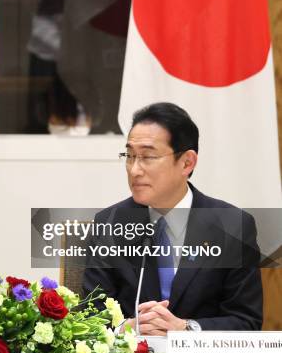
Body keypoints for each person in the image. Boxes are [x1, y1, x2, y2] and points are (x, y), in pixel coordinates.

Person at [83, 102, 262, 334]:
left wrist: (185, 329)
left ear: (187, 162)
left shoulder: (234, 226)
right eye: (129, 156)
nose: (134, 170)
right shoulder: (109, 224)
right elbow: (89, 316)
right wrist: (127, 328)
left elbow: (245, 321)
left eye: (147, 157)